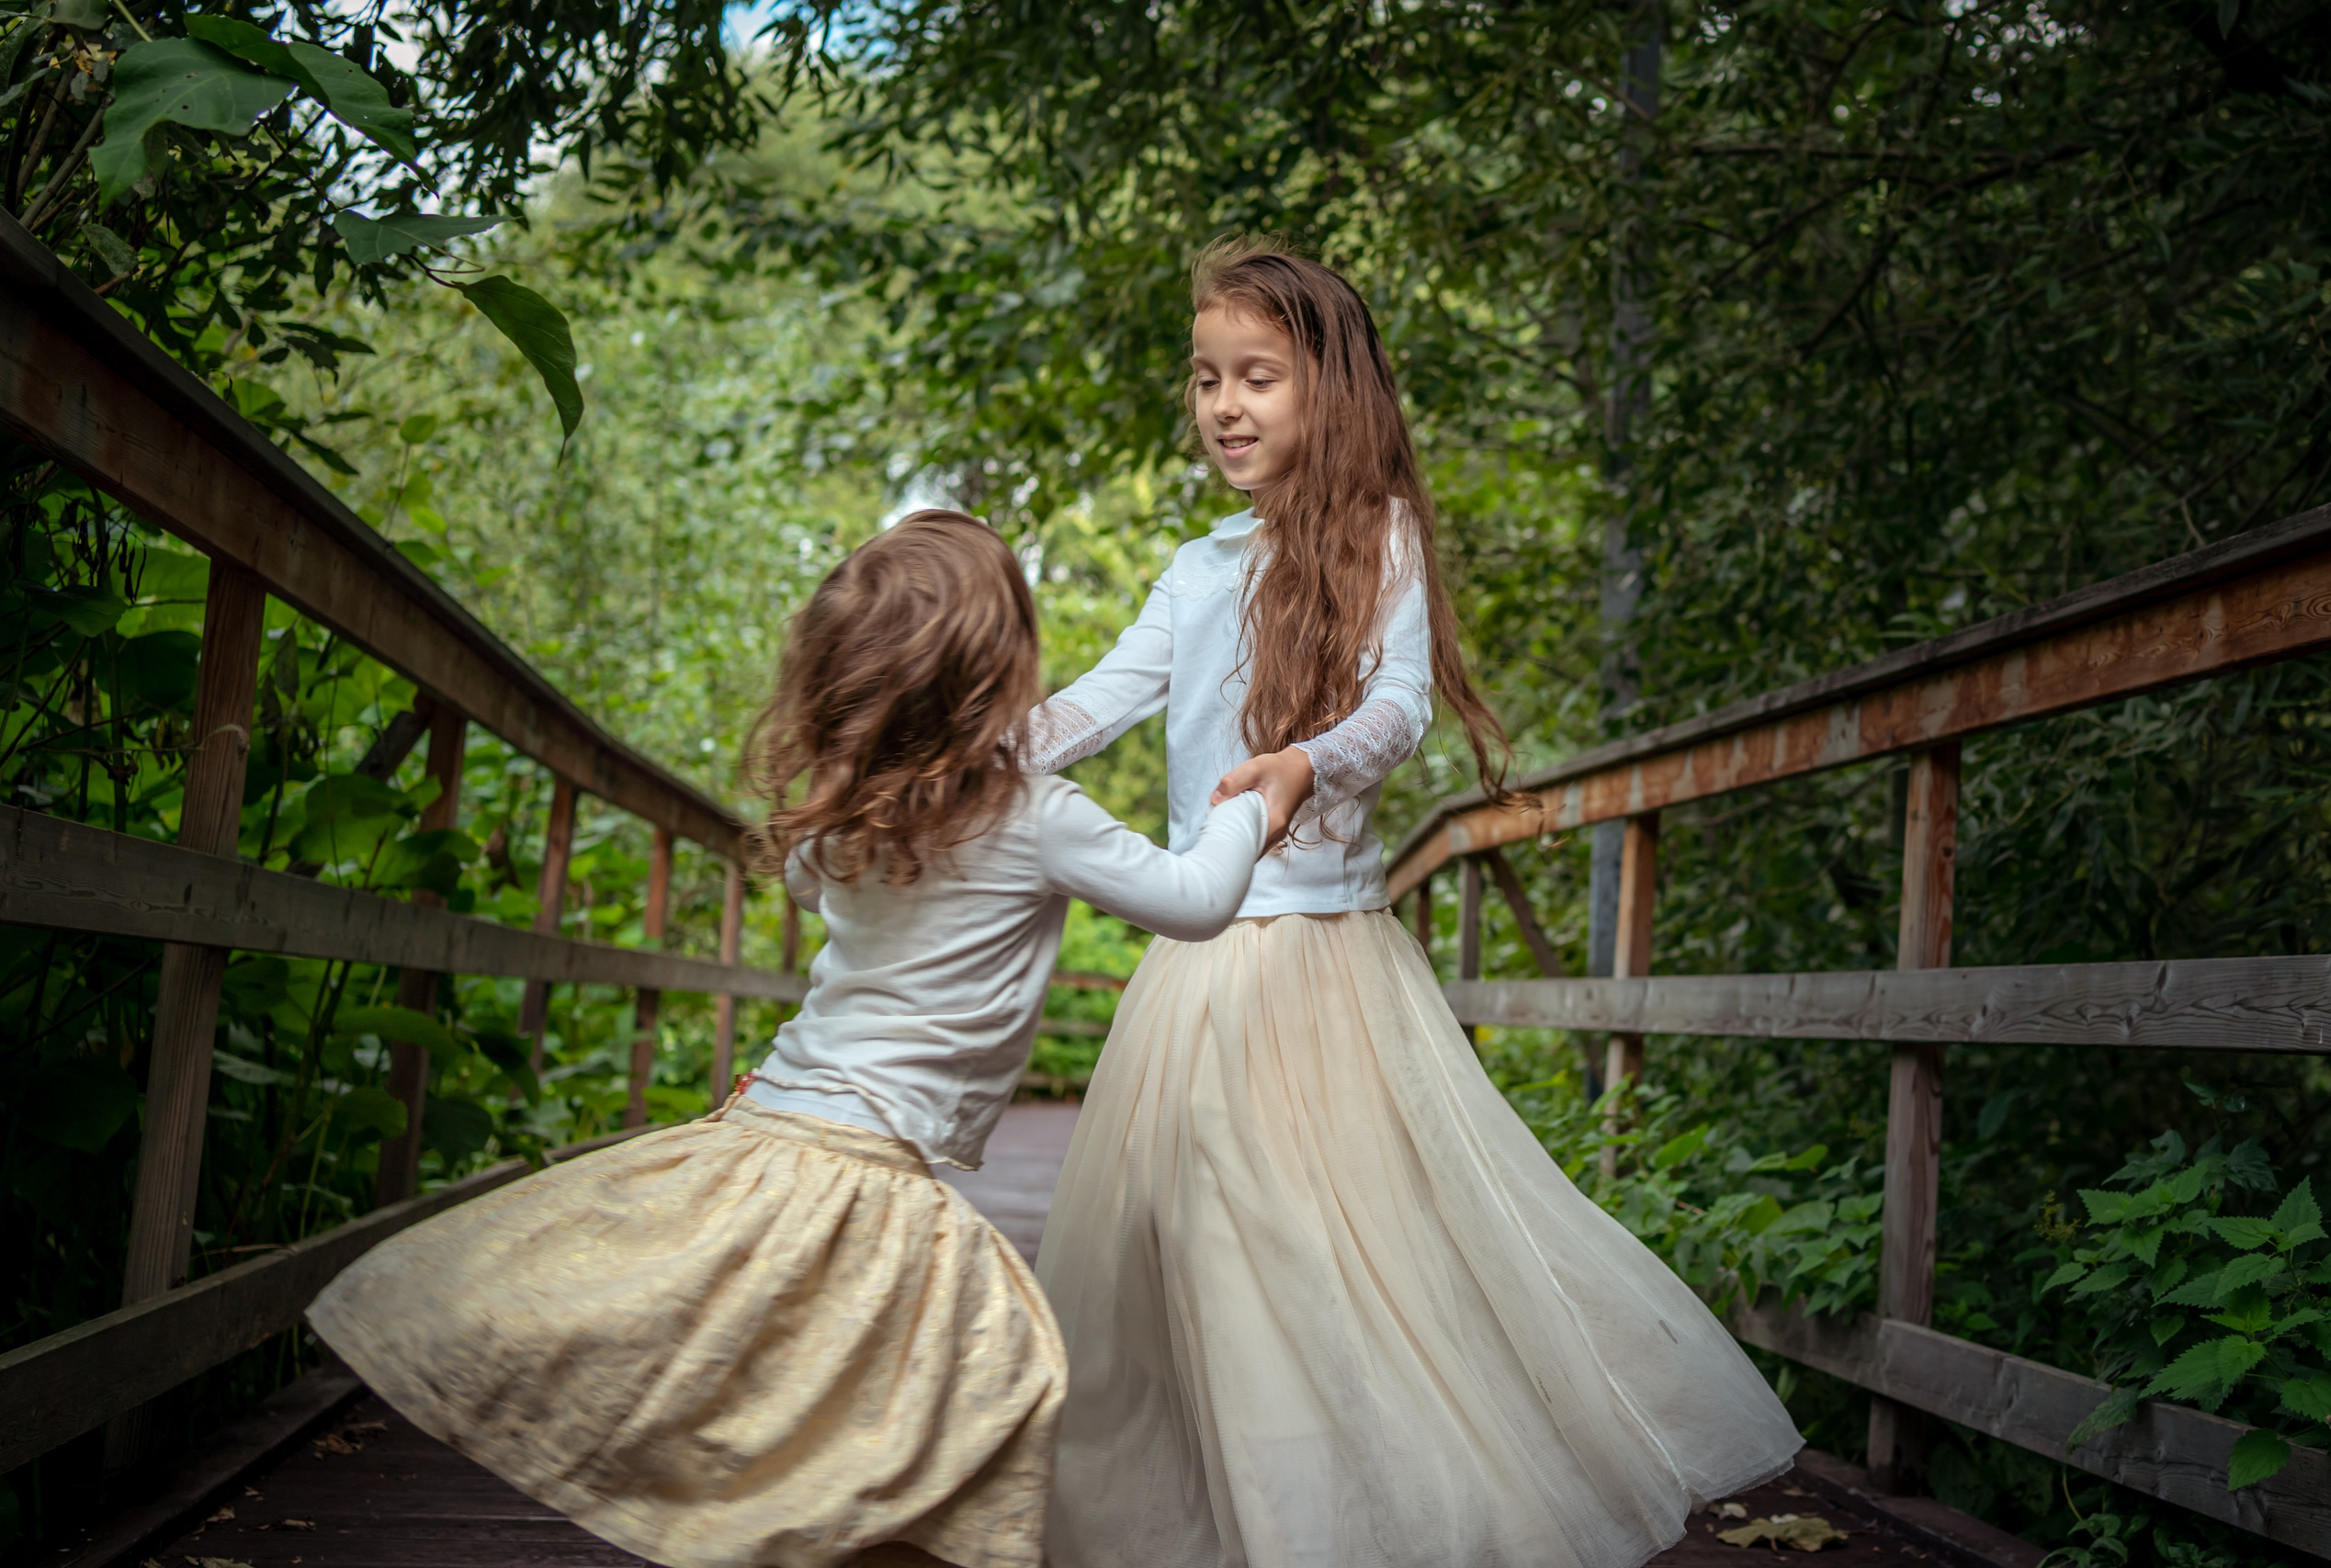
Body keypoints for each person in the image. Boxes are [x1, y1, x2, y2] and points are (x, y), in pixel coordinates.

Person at [1021, 239, 1804, 1568]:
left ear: (1327, 385)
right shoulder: (1195, 568)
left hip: (1324, 961)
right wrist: (976, 757)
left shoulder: (1380, 535)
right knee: (1195, 1220)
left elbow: (1399, 705)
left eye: (1256, 375)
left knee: (1314, 1230)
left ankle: (1347, 1510)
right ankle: (1226, 1503)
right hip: (1200, 965)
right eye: (1207, 377)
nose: (1223, 405)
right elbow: (1095, 701)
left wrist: (1301, 763)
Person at [308, 511, 1272, 1568]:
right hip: (866, 1166)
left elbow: (839, 924)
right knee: (976, 1390)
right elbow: (1195, 900)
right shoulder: (1040, 814)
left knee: (798, 1373)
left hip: (778, 1122)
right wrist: (1257, 800)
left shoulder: (842, 816)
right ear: (999, 671)